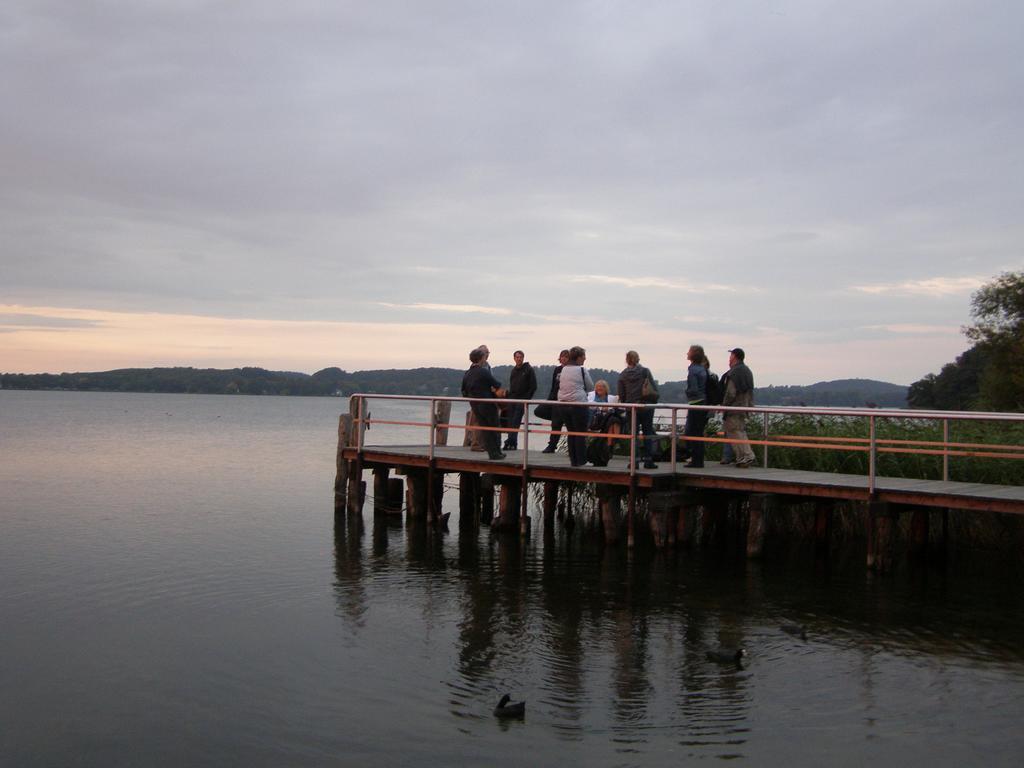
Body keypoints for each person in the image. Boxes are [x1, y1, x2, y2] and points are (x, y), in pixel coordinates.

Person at [461, 347, 507, 460]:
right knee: (494, 428)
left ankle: (492, 453)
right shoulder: (483, 372)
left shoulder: (467, 373)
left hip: (475, 405)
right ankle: (496, 452)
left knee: (485, 429)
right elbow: (496, 384)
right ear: (481, 359)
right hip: (487, 404)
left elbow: (463, 391)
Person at [617, 350, 658, 469]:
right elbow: (653, 387)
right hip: (646, 406)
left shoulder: (623, 374)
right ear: (638, 359)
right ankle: (649, 460)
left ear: (626, 360)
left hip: (632, 408)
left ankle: (634, 461)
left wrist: (627, 403)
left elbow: (621, 394)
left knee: (633, 434)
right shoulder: (645, 371)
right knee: (647, 432)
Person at [557, 346, 593, 466]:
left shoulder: (563, 370)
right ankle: (581, 461)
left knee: (571, 432)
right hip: (578, 405)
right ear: (579, 357)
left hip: (563, 405)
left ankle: (573, 460)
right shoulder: (581, 370)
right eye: (583, 356)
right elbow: (590, 387)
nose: (585, 358)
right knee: (580, 433)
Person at [721, 347, 756, 468]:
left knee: (735, 431)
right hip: (745, 406)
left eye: (730, 356)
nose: (729, 359)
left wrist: (724, 405)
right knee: (739, 431)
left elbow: (730, 392)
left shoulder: (734, 372)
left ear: (734, 356)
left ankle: (747, 455)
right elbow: (750, 391)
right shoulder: (747, 371)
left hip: (734, 407)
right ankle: (741, 457)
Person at [503, 350, 537, 450]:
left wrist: (526, 399)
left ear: (523, 358)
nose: (519, 359)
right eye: (517, 357)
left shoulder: (529, 370)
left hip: (522, 400)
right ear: (514, 358)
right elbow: (512, 386)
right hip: (512, 399)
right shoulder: (513, 370)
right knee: (510, 422)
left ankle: (509, 442)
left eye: (520, 357)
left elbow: (533, 386)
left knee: (516, 422)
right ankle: (512, 443)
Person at [682, 345, 709, 468]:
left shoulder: (692, 370)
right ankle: (699, 459)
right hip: (703, 402)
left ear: (693, 355)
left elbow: (693, 389)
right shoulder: (703, 369)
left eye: (689, 351)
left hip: (695, 403)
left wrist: (687, 392)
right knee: (698, 432)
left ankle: (695, 460)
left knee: (692, 432)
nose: (686, 353)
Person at [542, 349, 571, 453]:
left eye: (566, 356)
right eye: (562, 356)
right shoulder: (557, 369)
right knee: (553, 422)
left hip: (565, 400)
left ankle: (566, 446)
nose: (563, 358)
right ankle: (552, 445)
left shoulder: (571, 370)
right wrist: (550, 398)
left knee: (562, 424)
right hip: (555, 400)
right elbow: (553, 385)